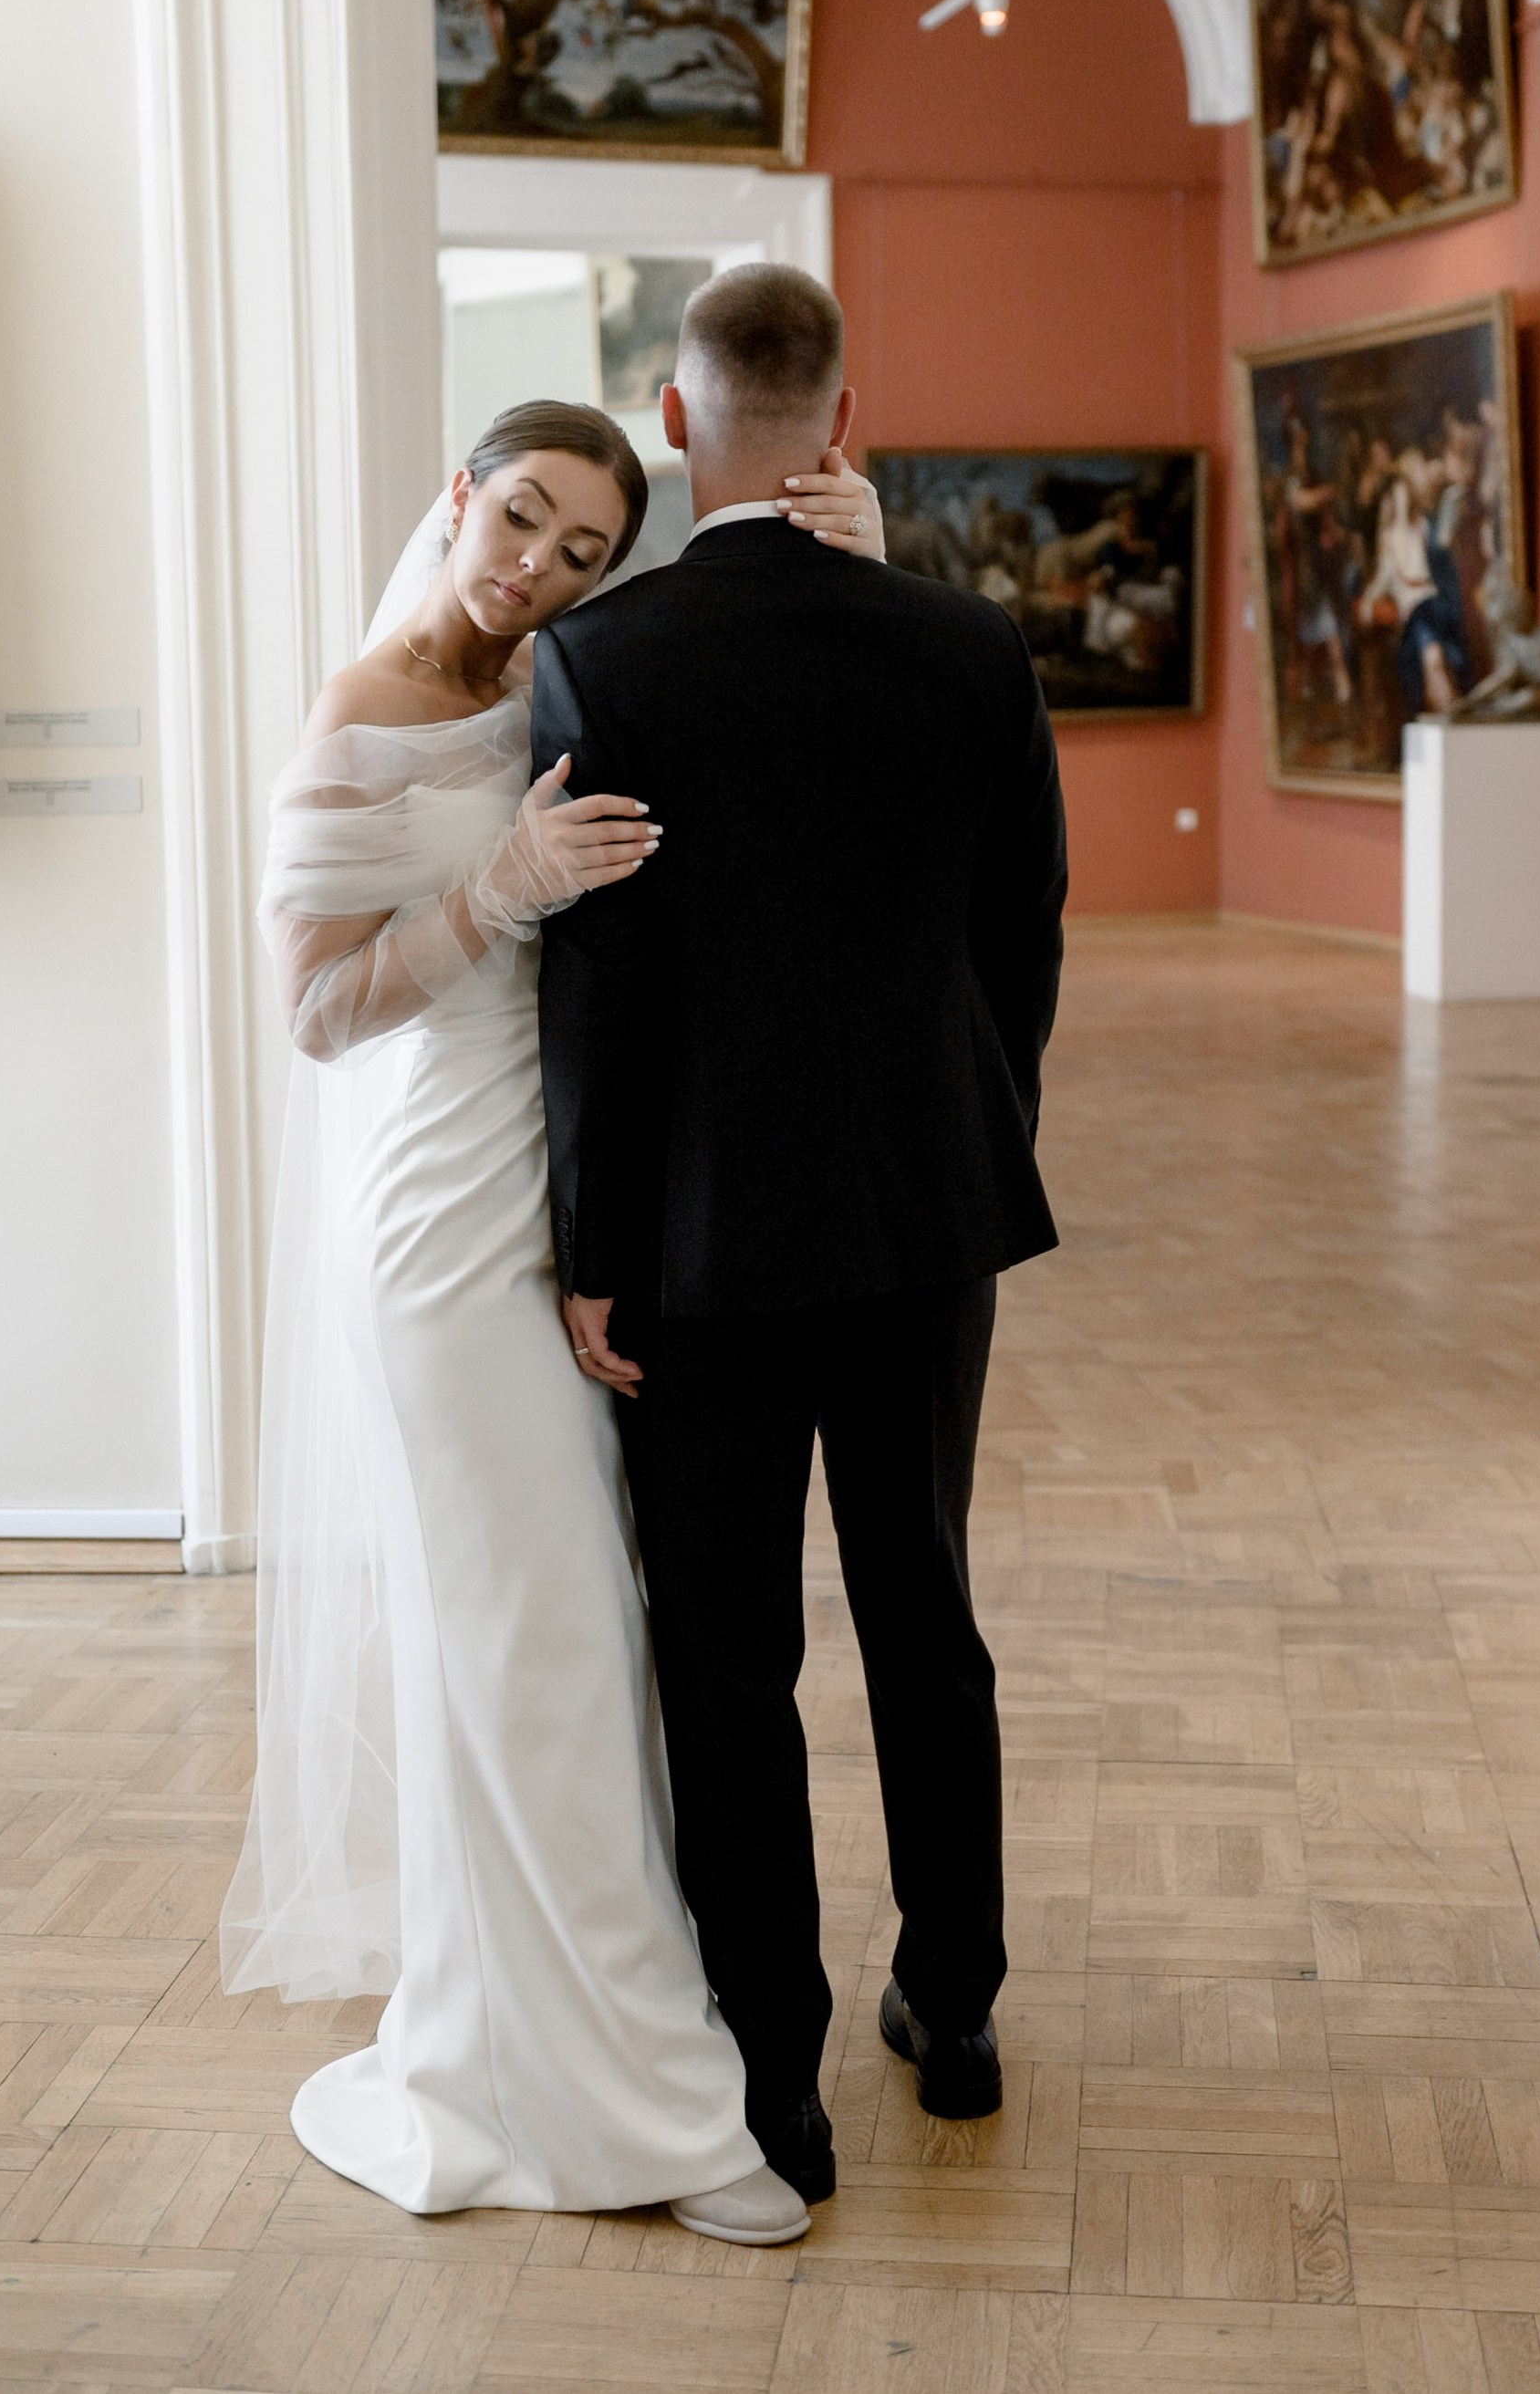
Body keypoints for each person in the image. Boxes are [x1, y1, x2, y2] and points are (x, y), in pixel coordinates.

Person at [218, 398, 886, 2243]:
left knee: (552, 1657)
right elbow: (315, 1011)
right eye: (520, 518)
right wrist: (495, 889)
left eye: (581, 549)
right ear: (458, 495)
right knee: (553, 1659)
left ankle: (529, 2046)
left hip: (565, 1213)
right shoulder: (360, 717)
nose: (536, 567)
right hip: (437, 1230)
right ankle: (653, 2114)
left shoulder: (569, 676)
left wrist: (859, 550)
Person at [532, 264, 1067, 2208]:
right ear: (843, 420)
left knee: (727, 1653)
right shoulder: (975, 647)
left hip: (695, 1236)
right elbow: (1024, 941)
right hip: (926, 1212)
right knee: (924, 1612)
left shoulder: (609, 656)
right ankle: (957, 2001)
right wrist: (957, 1126)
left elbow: (600, 990)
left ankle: (774, 2080)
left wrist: (592, 1242)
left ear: (674, 422)